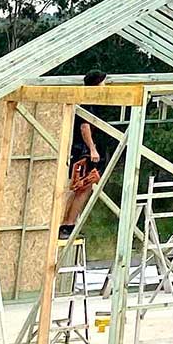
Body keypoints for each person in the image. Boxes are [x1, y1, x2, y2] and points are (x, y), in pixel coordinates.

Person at [62, 70, 106, 239]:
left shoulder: (91, 101)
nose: (105, 86)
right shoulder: (87, 102)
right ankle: (68, 225)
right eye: (103, 82)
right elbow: (84, 127)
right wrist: (92, 149)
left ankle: (69, 223)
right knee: (82, 186)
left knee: (83, 187)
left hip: (83, 151)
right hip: (82, 152)